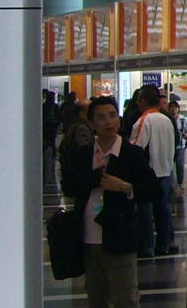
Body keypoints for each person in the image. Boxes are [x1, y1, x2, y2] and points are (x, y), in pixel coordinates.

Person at [61, 96, 161, 308]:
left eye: (112, 115)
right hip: (88, 238)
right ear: (91, 123)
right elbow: (69, 185)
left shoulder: (132, 153)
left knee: (125, 298)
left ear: (119, 120)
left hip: (120, 236)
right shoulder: (83, 154)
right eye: (101, 117)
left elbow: (153, 189)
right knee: (96, 297)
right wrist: (95, 178)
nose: (108, 122)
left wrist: (125, 187)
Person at [130, 84, 177, 257]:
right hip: (165, 170)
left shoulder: (144, 121)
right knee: (163, 211)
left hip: (148, 173)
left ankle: (146, 247)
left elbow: (136, 148)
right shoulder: (167, 119)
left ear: (143, 100)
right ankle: (165, 244)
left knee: (145, 213)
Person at [168, 101, 187, 186]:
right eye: (171, 107)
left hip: (180, 145)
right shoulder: (167, 119)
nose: (173, 109)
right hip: (169, 146)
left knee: (180, 165)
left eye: (175, 107)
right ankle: (171, 185)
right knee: (169, 166)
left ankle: (180, 183)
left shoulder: (183, 119)